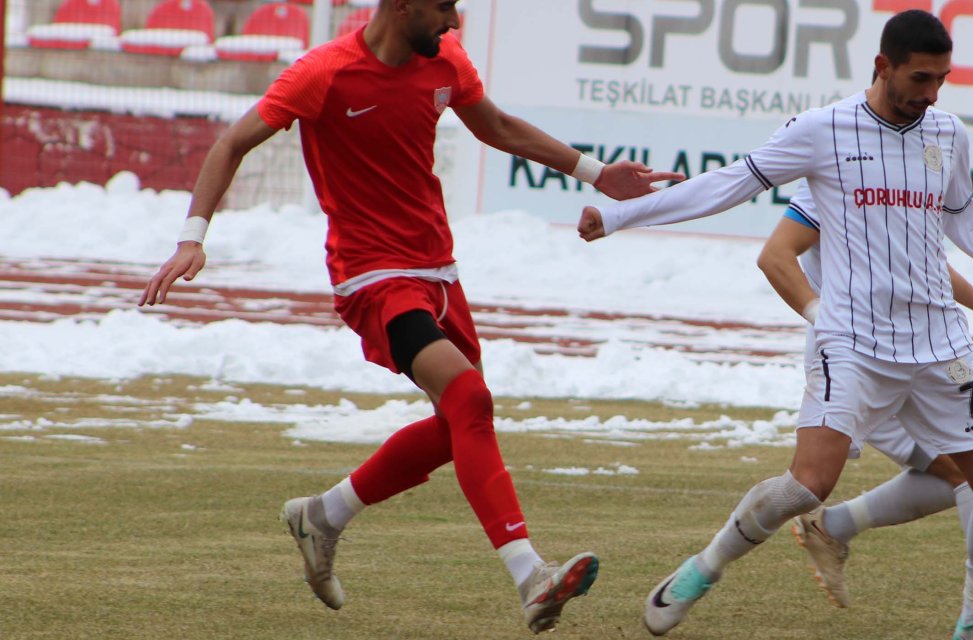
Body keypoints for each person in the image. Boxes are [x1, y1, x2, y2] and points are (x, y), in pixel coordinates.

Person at [138, 0, 680, 633]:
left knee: (458, 425)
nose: (452, 21)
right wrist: (192, 237)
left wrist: (593, 172)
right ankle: (531, 576)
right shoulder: (323, 73)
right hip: (372, 276)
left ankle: (324, 515)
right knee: (470, 397)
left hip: (438, 271)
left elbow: (496, 126)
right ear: (401, 5)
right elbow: (232, 142)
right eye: (443, 7)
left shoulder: (443, 58)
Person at [576, 10, 973, 639]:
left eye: (941, 80)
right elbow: (730, 185)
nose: (930, 95)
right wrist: (621, 216)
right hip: (854, 343)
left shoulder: (947, 133)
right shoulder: (824, 131)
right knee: (808, 485)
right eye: (919, 79)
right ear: (882, 66)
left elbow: (960, 225)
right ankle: (702, 569)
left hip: (939, 343)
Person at [761, 186, 973, 639]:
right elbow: (777, 254)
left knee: (971, 471)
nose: (926, 111)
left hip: (916, 355)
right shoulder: (839, 161)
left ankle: (831, 526)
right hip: (863, 365)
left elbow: (920, 265)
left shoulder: (903, 162)